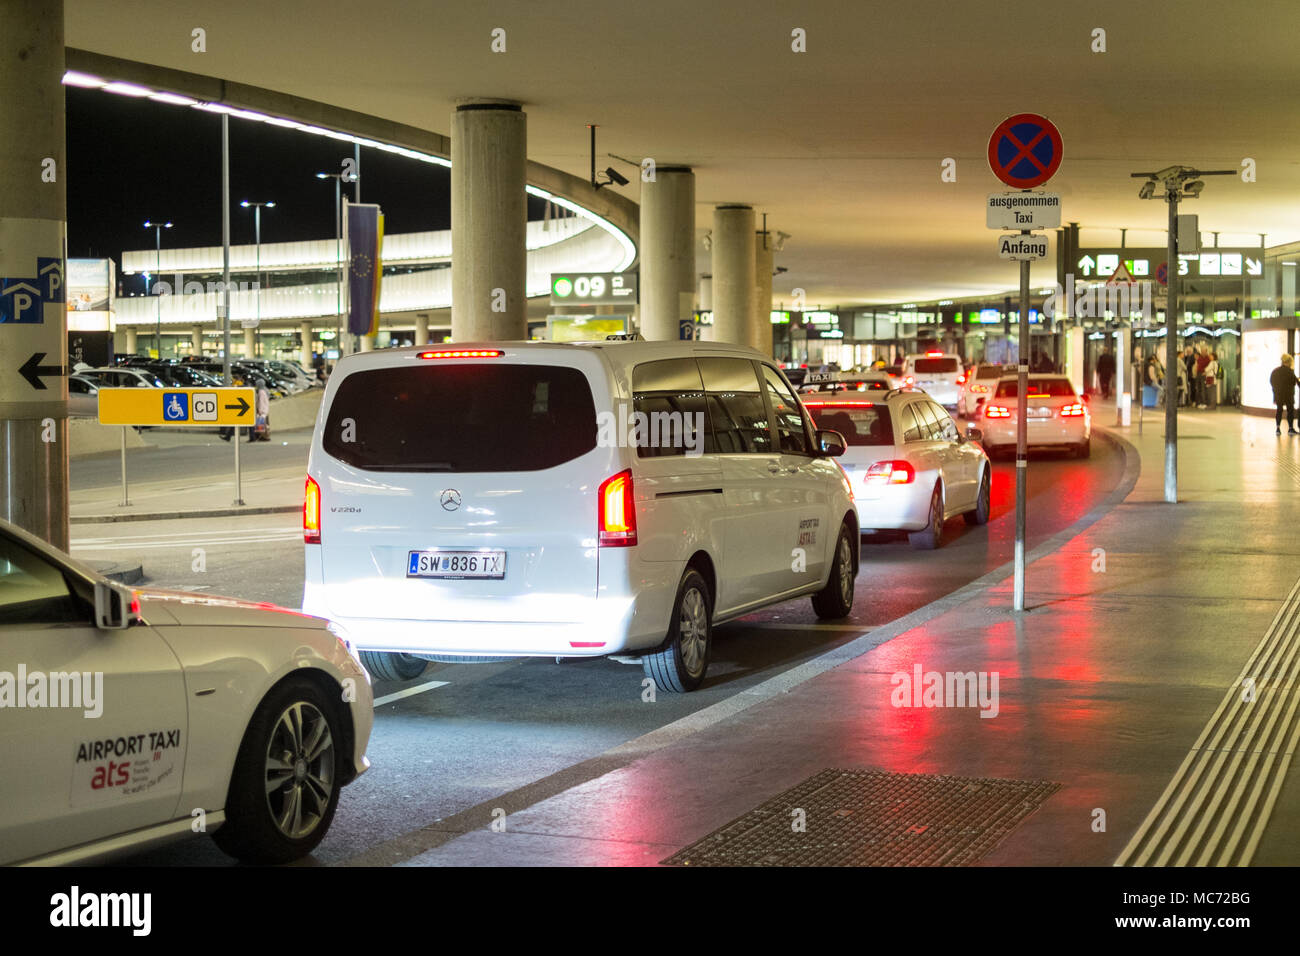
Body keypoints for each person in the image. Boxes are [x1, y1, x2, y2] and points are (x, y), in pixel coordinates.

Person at [1270, 354, 1298, 435]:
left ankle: (1278, 429)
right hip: (1289, 395)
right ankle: (1290, 428)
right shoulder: (1290, 372)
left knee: (1279, 410)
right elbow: (1294, 382)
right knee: (1290, 411)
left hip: (1278, 395)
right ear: (1288, 362)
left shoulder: (1275, 371)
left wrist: (1276, 391)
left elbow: (1272, 382)